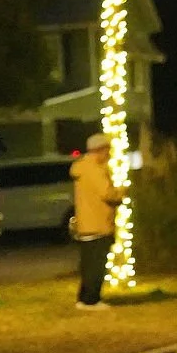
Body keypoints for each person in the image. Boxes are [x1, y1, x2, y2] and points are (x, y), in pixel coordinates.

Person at [69, 132, 124, 310]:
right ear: (100, 150)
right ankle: (92, 300)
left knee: (88, 264)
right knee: (96, 265)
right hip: (99, 223)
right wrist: (122, 192)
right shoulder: (95, 169)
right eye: (107, 149)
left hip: (86, 224)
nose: (109, 153)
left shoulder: (82, 168)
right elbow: (107, 193)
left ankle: (84, 299)